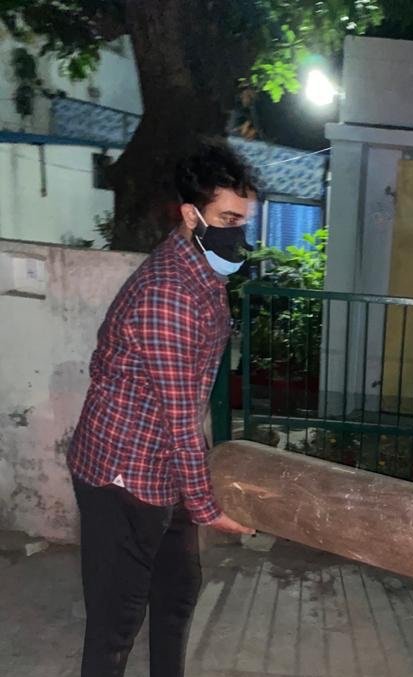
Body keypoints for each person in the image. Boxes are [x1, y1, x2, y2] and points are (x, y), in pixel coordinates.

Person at [67, 139, 257, 677]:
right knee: (117, 622)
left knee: (176, 593)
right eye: (228, 219)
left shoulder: (204, 276)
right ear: (191, 215)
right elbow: (180, 417)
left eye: (244, 220)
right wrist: (207, 507)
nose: (239, 233)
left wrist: (192, 490)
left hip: (164, 468)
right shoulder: (168, 297)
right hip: (120, 474)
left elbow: (188, 400)